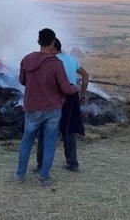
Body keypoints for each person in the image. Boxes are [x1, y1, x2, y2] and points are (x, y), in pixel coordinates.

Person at [14, 28, 79, 187]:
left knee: (27, 141)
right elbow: (65, 88)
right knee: (49, 143)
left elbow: (22, 81)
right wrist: (76, 88)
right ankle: (44, 178)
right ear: (52, 42)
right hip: (52, 110)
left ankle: (20, 175)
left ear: (38, 42)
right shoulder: (56, 63)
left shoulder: (26, 59)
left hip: (32, 108)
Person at [34, 38, 89, 172]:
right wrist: (82, 94)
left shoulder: (51, 61)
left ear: (52, 48)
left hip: (55, 96)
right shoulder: (71, 59)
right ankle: (72, 164)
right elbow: (86, 75)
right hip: (71, 97)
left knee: (45, 130)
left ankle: (41, 165)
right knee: (69, 130)